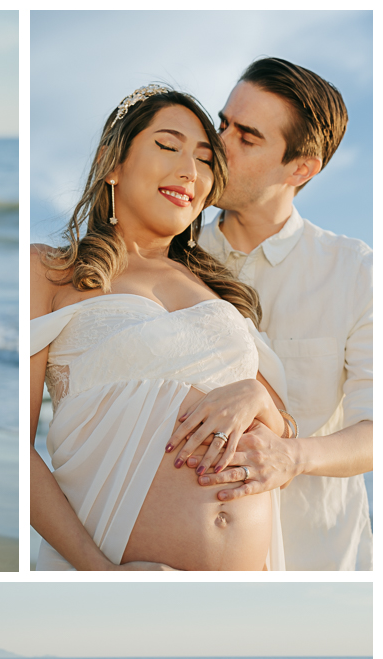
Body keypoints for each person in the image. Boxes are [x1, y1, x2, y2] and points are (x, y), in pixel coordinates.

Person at [31, 85, 292, 571]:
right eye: (169, 146)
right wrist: (97, 572)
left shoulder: (221, 291)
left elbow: (281, 431)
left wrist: (261, 403)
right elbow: (18, 452)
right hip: (116, 574)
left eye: (205, 160)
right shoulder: (53, 271)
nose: (190, 171)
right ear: (113, 162)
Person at [192, 58, 372, 570]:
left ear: (300, 169)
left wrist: (292, 456)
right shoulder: (173, 259)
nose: (217, 145)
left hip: (320, 561)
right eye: (222, 123)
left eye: (246, 137)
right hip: (199, 563)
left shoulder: (354, 270)